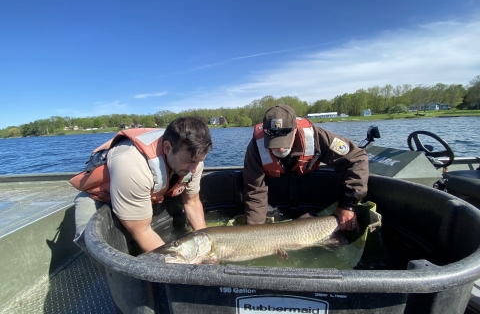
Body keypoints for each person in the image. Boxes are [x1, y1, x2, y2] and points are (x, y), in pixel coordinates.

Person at [70, 116, 213, 253]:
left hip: (144, 193)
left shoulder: (194, 159)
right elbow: (142, 231)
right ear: (167, 148)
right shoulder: (132, 164)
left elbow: (192, 202)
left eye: (199, 161)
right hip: (99, 199)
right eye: (189, 162)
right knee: (93, 244)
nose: (194, 169)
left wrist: (207, 248)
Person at [243, 105, 368, 230]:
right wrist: (255, 230)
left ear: (295, 129)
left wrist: (348, 205)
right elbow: (255, 192)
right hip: (274, 195)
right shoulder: (255, 148)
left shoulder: (317, 136)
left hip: (311, 190)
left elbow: (357, 158)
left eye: (284, 141)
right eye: (274, 143)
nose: (280, 149)